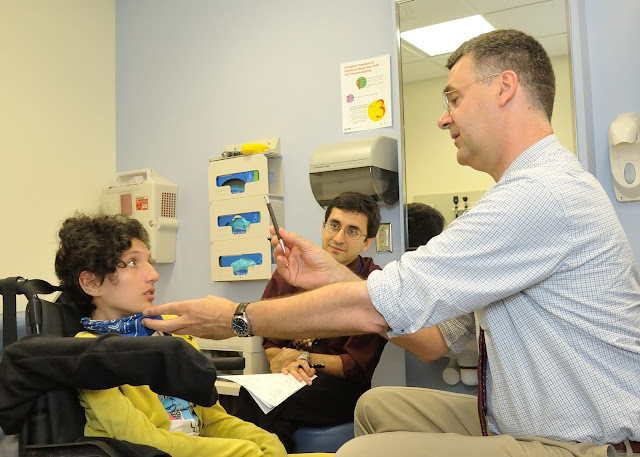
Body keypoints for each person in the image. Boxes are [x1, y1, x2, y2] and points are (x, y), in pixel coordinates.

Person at [143, 29, 640, 457]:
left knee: (364, 451)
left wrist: (234, 318)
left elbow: (379, 309)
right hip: (520, 425)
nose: (444, 118)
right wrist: (336, 274)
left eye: (454, 98)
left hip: (581, 443)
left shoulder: (541, 194)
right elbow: (430, 341)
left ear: (505, 87)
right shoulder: (529, 194)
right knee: (376, 405)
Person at [54, 213, 289, 457]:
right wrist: (246, 451)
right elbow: (140, 441)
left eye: (149, 261)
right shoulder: (89, 353)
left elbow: (214, 421)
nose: (154, 274)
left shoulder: (173, 334)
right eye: (133, 263)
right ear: (91, 283)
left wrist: (266, 444)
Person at [235, 191, 388, 452]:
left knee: (273, 406)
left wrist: (303, 358)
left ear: (367, 242)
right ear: (323, 226)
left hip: (340, 390)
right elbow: (268, 336)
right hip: (289, 377)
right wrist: (281, 361)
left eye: (352, 231)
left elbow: (355, 367)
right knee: (251, 394)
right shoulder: (293, 268)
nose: (338, 238)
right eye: (335, 225)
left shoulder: (375, 284)